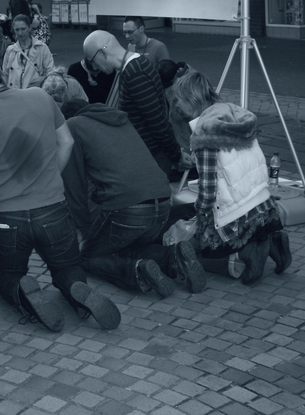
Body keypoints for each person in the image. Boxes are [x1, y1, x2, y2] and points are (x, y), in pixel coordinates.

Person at [0, 48, 120, 332]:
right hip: (53, 208)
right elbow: (67, 142)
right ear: (0, 70)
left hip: (6, 215)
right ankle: (74, 288)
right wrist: (50, 175)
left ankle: (22, 289)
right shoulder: (40, 96)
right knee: (68, 267)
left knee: (5, 275)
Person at [62, 102, 206, 297]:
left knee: (88, 256)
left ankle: (137, 272)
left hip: (129, 208)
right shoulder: (120, 121)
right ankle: (173, 256)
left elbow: (75, 188)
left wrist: (85, 232)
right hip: (162, 200)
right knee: (129, 247)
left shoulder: (72, 127)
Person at [172, 72, 292, 285]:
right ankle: (272, 241)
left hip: (237, 213)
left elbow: (208, 192)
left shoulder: (204, 133)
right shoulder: (232, 113)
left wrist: (198, 217)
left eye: (178, 99)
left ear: (191, 100)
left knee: (205, 250)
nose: (176, 105)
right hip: (263, 203)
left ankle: (249, 254)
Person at [82, 31, 186, 174]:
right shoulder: (136, 66)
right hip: (151, 155)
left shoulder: (135, 72)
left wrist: (176, 156)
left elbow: (157, 121)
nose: (94, 67)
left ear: (102, 53)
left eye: (92, 61)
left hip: (152, 158)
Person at [3, 14, 54, 89]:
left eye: (23, 29)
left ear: (29, 28)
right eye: (17, 29)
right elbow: (5, 75)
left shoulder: (42, 48)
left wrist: (42, 81)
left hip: (35, 94)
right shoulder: (10, 50)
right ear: (13, 30)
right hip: (14, 94)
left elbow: (51, 72)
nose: (20, 33)